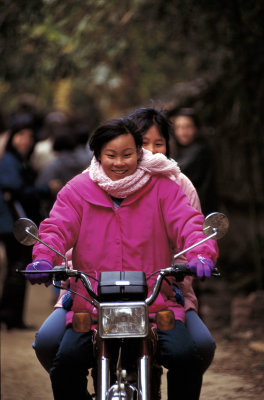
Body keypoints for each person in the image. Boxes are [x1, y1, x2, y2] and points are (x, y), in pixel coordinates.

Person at [25, 116, 218, 400]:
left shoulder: (163, 188)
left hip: (155, 302)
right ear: (98, 155)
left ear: (140, 154)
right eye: (111, 155)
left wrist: (201, 252)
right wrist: (43, 257)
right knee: (65, 364)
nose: (119, 162)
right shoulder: (77, 190)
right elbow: (56, 228)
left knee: (187, 358)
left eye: (127, 154)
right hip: (90, 304)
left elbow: (188, 223)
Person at [0, 115, 60, 330]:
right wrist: (45, 189)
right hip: (13, 224)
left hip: (13, 223)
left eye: (29, 136)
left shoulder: (19, 159)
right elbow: (12, 188)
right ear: (12, 137)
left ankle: (11, 315)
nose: (25, 140)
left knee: (15, 269)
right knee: (17, 269)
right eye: (20, 135)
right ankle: (10, 315)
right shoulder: (10, 160)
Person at [170, 108, 217, 215]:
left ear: (196, 128)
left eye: (188, 127)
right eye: (179, 127)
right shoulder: (178, 150)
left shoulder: (200, 150)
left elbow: (179, 171)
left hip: (199, 209)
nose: (183, 132)